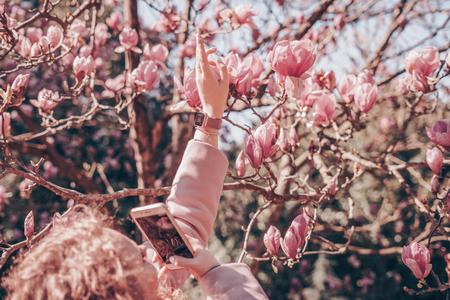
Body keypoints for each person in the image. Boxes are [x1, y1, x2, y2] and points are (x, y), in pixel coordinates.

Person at [2, 35, 268, 300]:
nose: (153, 254)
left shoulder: (149, 286)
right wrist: (213, 273)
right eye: (142, 257)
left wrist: (210, 119)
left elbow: (186, 225)